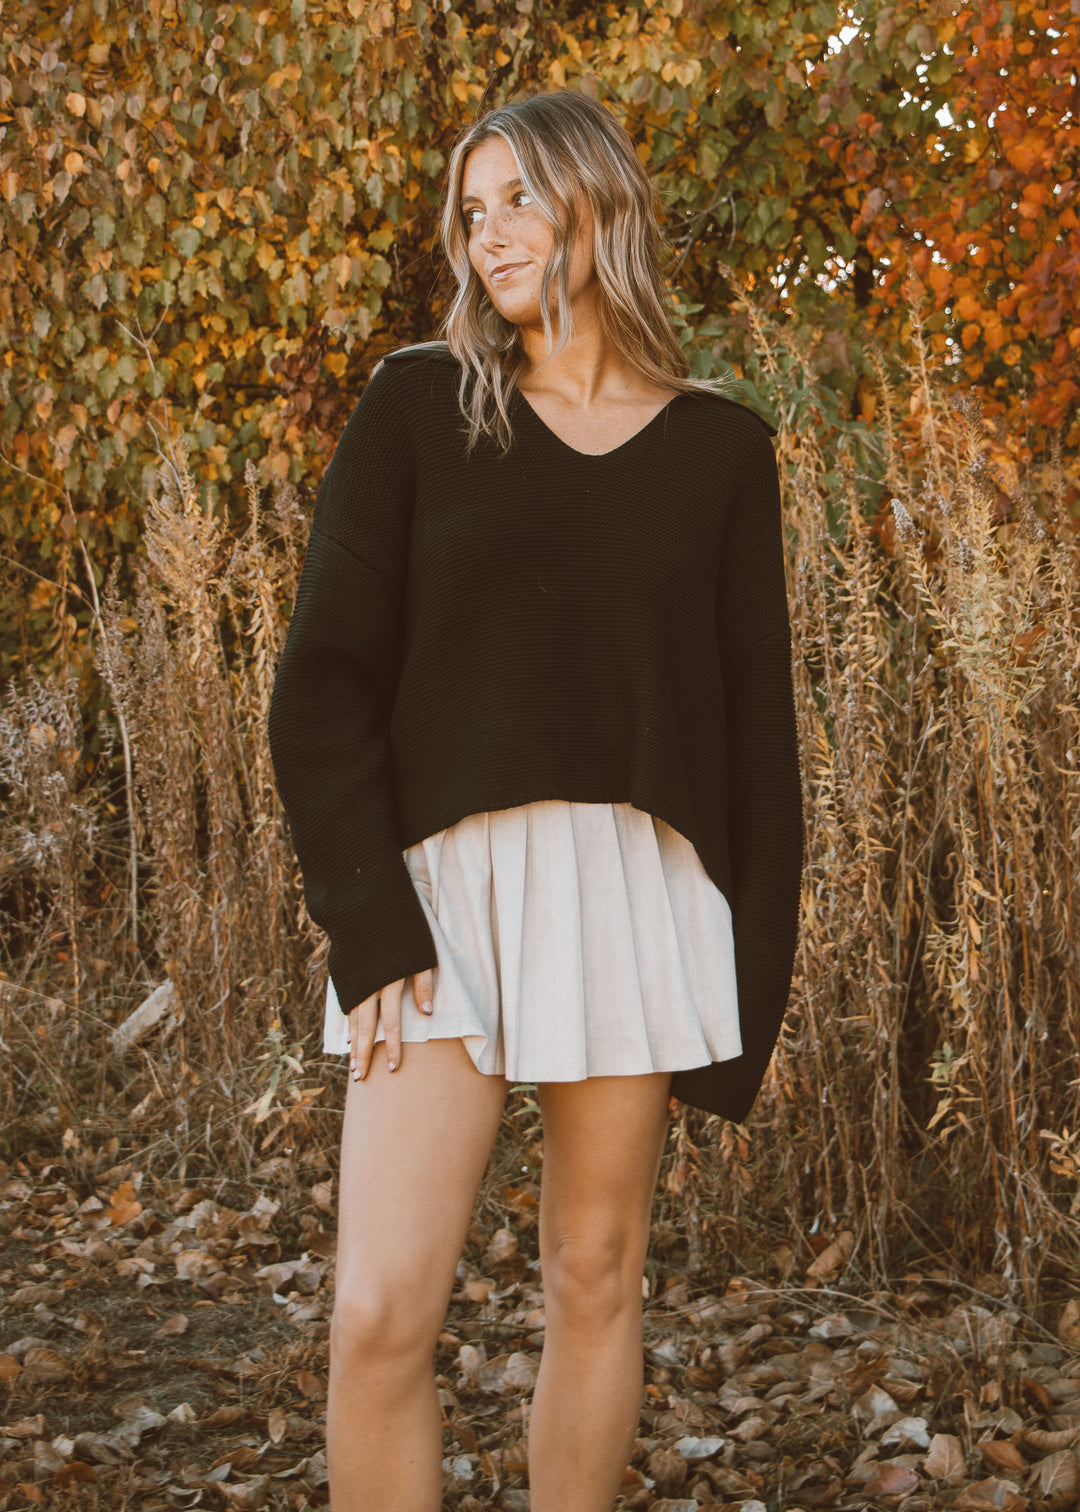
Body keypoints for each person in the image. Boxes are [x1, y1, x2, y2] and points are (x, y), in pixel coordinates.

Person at [268, 85, 803, 1512]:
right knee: (380, 1311)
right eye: (473, 208)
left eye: (518, 197)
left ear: (599, 202)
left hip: (634, 893)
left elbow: (762, 748)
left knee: (595, 1274)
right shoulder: (415, 407)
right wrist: (364, 918)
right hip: (434, 896)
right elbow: (320, 684)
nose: (489, 233)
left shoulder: (721, 452)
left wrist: (747, 1003)